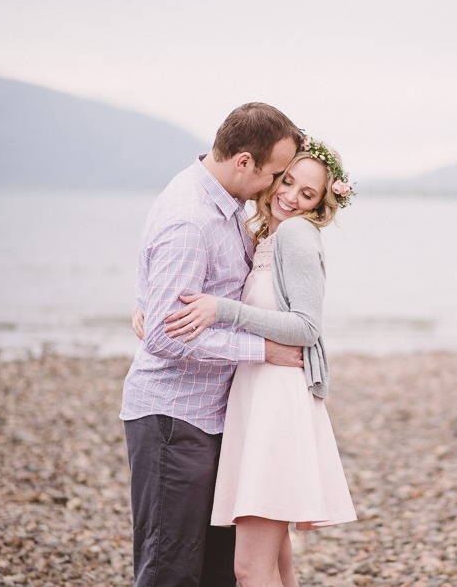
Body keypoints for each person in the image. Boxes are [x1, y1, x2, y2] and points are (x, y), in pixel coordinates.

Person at [120, 102, 304, 587]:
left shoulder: (226, 207)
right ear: (243, 162)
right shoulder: (192, 219)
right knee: (170, 569)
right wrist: (262, 351)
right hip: (173, 419)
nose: (276, 186)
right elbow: (162, 336)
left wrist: (144, 303)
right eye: (275, 174)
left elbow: (162, 292)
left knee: (216, 571)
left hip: (214, 414)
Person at [159, 136, 357, 585]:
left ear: (320, 204)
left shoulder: (296, 235)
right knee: (279, 561)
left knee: (249, 569)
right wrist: (149, 307)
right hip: (258, 400)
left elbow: (307, 327)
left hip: (276, 408)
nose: (290, 196)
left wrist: (221, 309)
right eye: (287, 181)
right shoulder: (267, 236)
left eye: (306, 194)